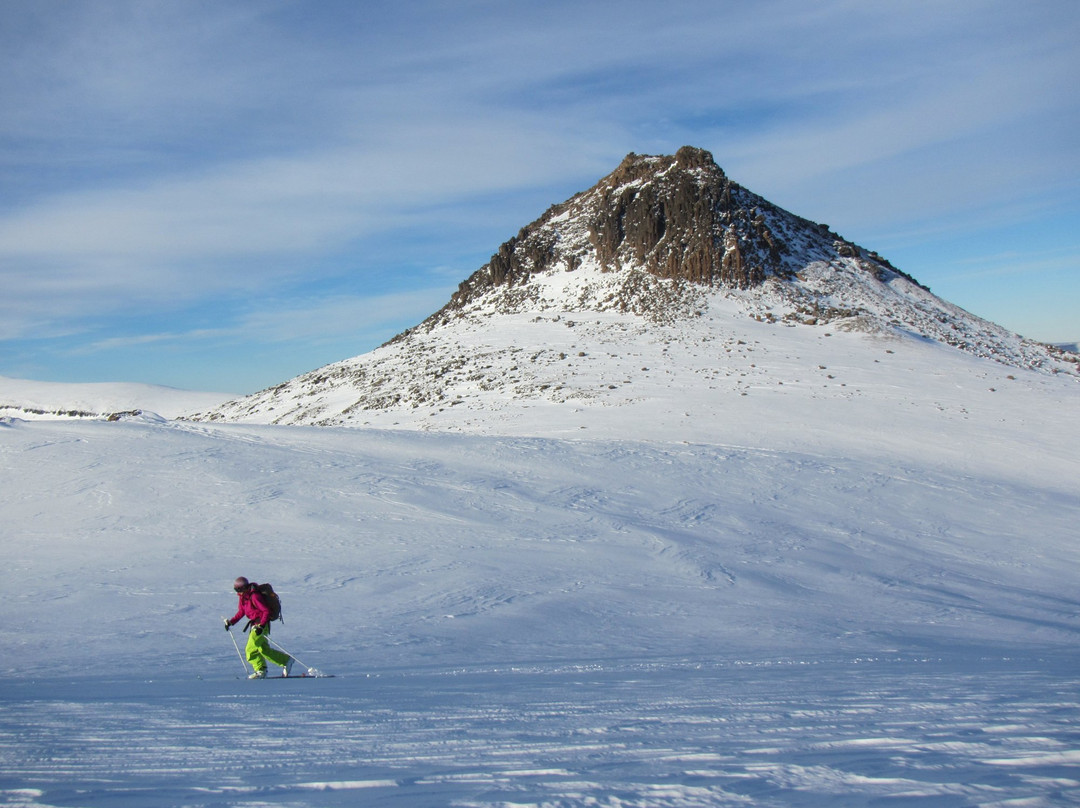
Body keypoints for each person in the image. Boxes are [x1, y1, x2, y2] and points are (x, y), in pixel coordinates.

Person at [225, 576, 294, 678]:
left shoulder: (255, 596)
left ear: (244, 588)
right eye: (236, 589)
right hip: (255, 625)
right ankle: (286, 660)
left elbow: (266, 611)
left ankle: (260, 670)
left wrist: (261, 626)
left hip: (261, 625)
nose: (237, 592)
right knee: (263, 650)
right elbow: (241, 612)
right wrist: (231, 622)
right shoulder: (243, 598)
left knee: (250, 649)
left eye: (239, 589)